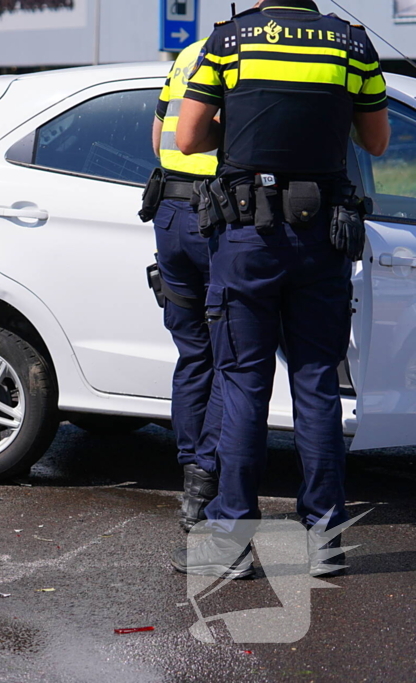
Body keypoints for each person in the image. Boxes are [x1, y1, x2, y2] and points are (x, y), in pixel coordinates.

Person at [171, 0, 390, 579]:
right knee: (316, 384)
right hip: (323, 236)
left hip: (247, 239)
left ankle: (231, 543)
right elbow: (376, 142)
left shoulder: (230, 40)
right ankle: (325, 542)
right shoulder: (352, 44)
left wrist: (244, 122)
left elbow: (187, 139)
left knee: (243, 385)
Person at [145, 39, 223, 532]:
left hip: (171, 214)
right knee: (230, 355)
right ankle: (209, 478)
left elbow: (160, 139)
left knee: (194, 354)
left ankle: (192, 472)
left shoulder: (188, 53)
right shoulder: (243, 50)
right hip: (218, 216)